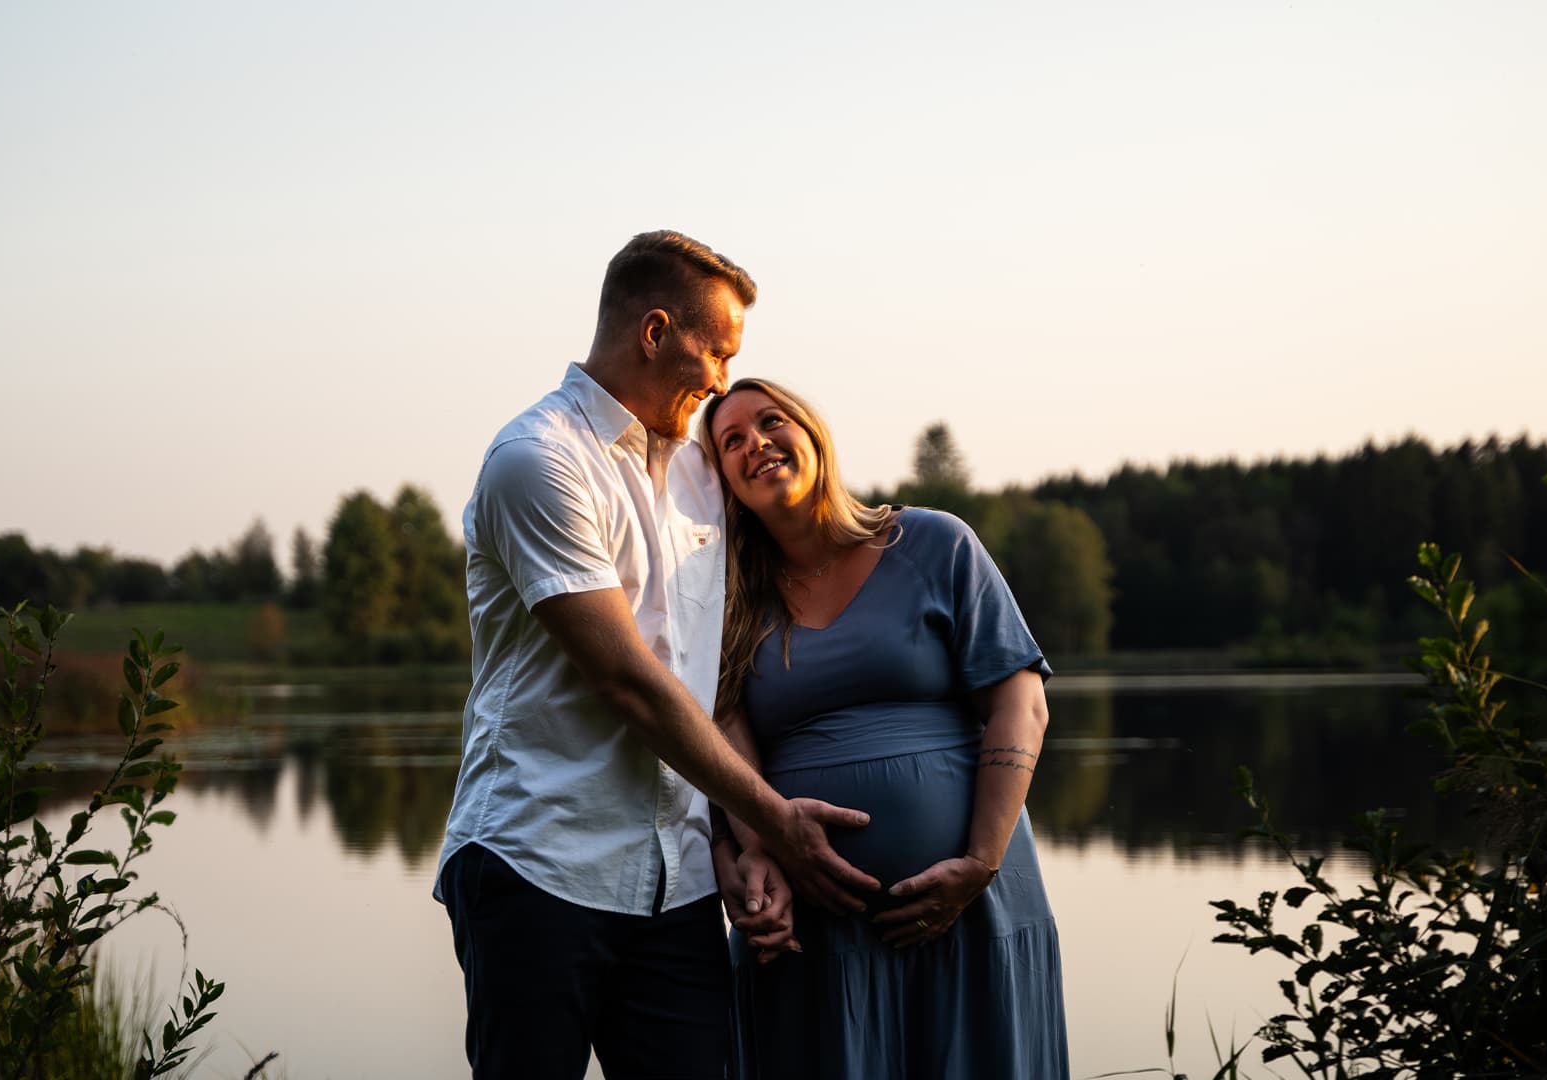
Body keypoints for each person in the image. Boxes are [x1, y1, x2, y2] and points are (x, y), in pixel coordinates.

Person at [433, 232, 879, 1080]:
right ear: (654, 332)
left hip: (675, 886)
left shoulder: (702, 474)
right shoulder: (538, 462)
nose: (721, 380)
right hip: (539, 865)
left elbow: (706, 682)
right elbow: (631, 683)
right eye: (716, 353)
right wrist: (779, 823)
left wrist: (743, 845)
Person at [702, 377, 1070, 1079]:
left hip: (973, 907)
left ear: (813, 435)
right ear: (721, 477)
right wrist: (757, 849)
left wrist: (979, 865)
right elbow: (723, 740)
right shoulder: (728, 598)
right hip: (811, 924)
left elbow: (1020, 704)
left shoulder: (935, 543)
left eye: (771, 422)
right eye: (732, 441)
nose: (757, 445)